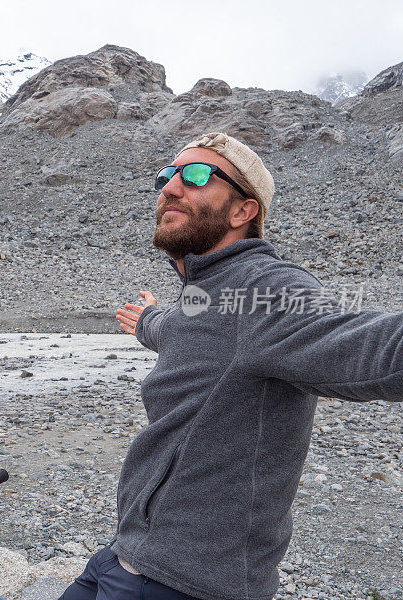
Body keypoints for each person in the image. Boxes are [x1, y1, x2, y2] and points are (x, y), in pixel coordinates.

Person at [58, 132, 403, 600]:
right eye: (168, 174)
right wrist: (144, 321)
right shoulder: (201, 294)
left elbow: (367, 345)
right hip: (124, 552)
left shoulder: (265, 287)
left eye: (198, 175)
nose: (172, 187)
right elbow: (175, 328)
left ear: (244, 211)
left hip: (181, 583)